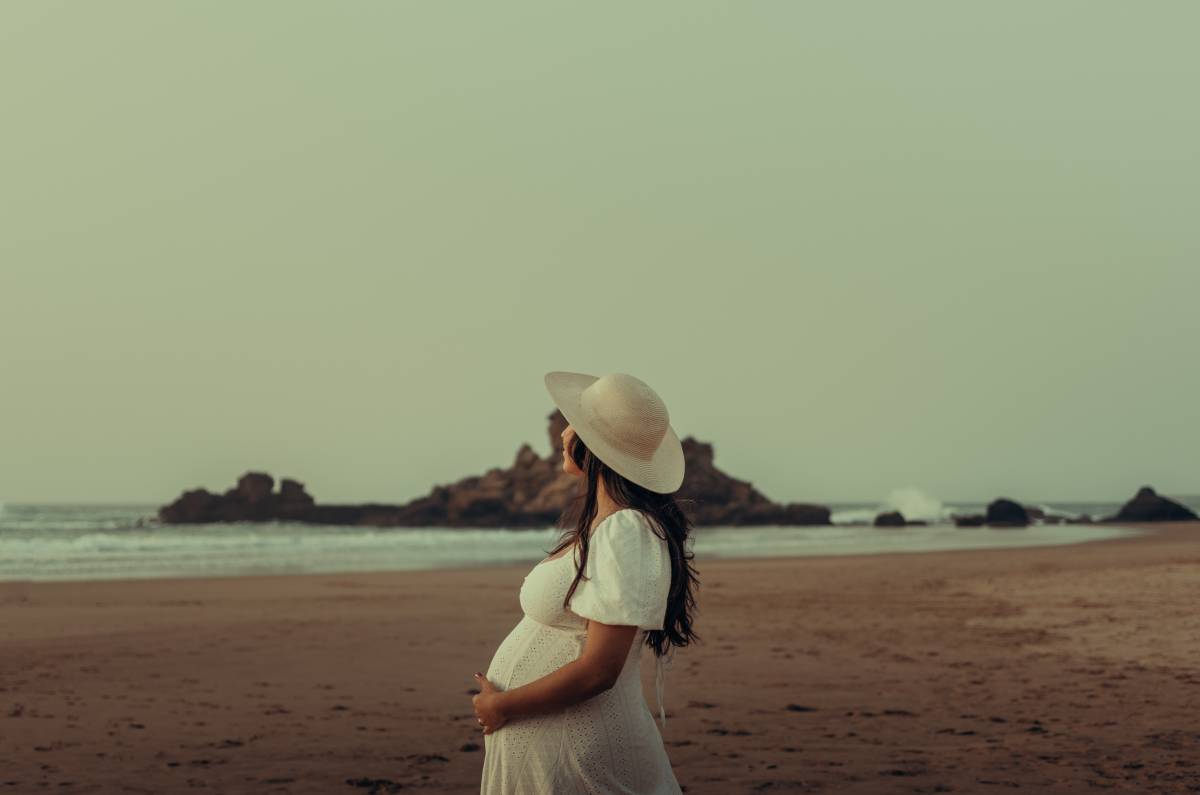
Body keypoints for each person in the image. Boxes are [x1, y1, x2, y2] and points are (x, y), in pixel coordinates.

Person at [473, 371, 701, 794]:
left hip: (577, 747)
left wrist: (502, 705)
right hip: (558, 738)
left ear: (595, 445)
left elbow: (600, 670)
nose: (563, 429)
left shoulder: (626, 530)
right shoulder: (608, 527)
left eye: (576, 420)